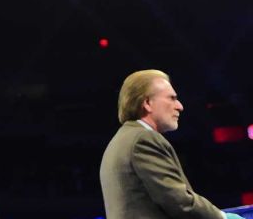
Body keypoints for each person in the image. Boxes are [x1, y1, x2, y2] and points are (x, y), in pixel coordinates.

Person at [100, 70, 244, 219]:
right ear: (147, 103)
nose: (180, 106)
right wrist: (223, 217)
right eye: (172, 98)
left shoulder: (123, 140)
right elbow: (180, 201)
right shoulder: (143, 139)